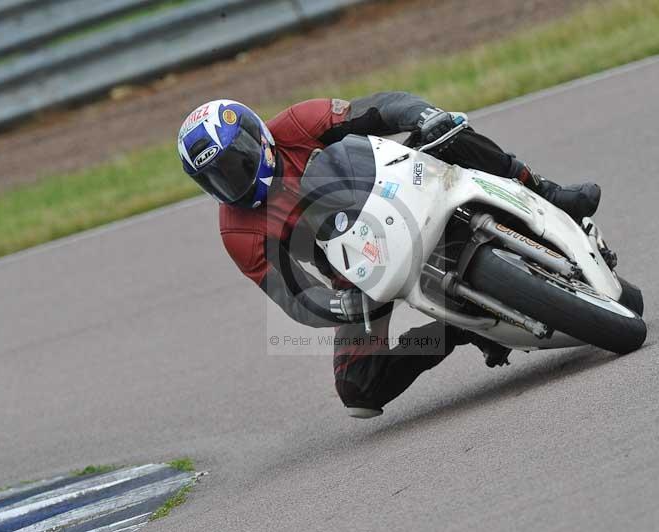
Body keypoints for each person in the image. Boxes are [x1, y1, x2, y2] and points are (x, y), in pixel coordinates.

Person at [177, 92, 600, 418]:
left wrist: (421, 116)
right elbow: (293, 296)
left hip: (393, 189)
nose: (232, 179)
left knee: (447, 132)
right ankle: (462, 327)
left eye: (237, 162)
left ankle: (544, 189)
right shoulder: (238, 230)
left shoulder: (296, 123)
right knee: (357, 388)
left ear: (257, 137)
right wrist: (338, 305)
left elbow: (380, 108)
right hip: (355, 267)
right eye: (216, 178)